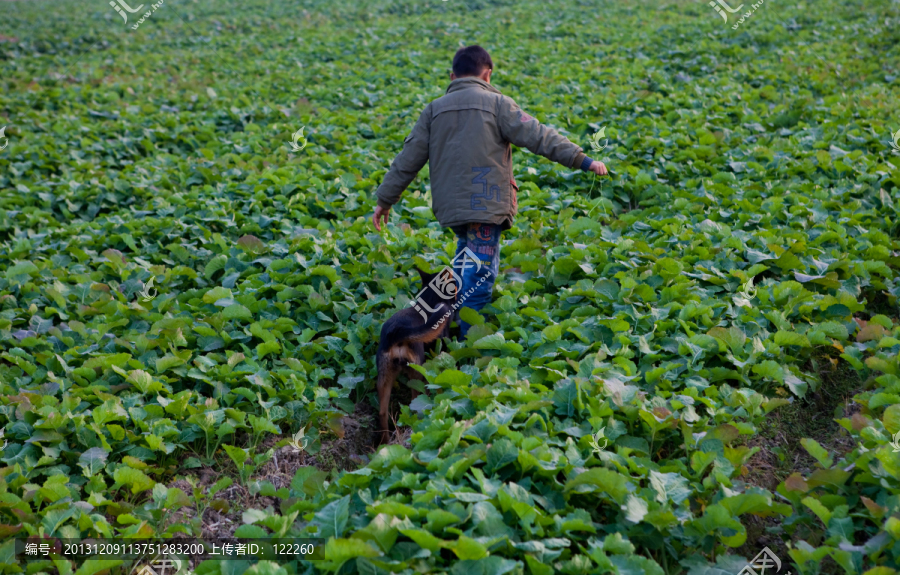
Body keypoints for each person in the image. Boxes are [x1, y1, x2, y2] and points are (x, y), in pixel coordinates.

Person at [371, 45, 608, 337]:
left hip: (453, 211)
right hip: (486, 205)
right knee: (480, 279)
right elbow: (539, 136)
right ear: (488, 74)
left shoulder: (434, 110)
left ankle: (435, 327)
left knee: (463, 269)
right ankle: (463, 343)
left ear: (452, 75)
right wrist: (582, 160)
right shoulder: (497, 104)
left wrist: (385, 200)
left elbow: (407, 159)